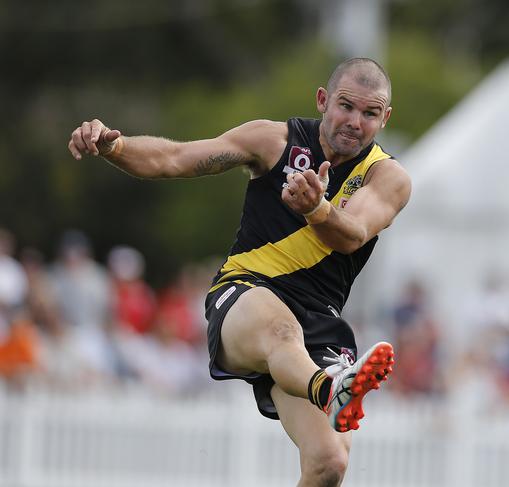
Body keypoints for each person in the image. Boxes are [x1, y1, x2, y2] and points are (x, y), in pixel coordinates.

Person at [68, 57, 411, 486]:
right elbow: (174, 158)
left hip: (319, 319)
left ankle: (331, 388)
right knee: (281, 333)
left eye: (370, 113)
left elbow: (353, 233)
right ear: (323, 100)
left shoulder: (388, 177)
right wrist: (112, 146)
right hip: (247, 292)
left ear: (385, 118)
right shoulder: (273, 140)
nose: (355, 122)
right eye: (346, 106)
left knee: (329, 463)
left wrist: (317, 209)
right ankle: (329, 390)